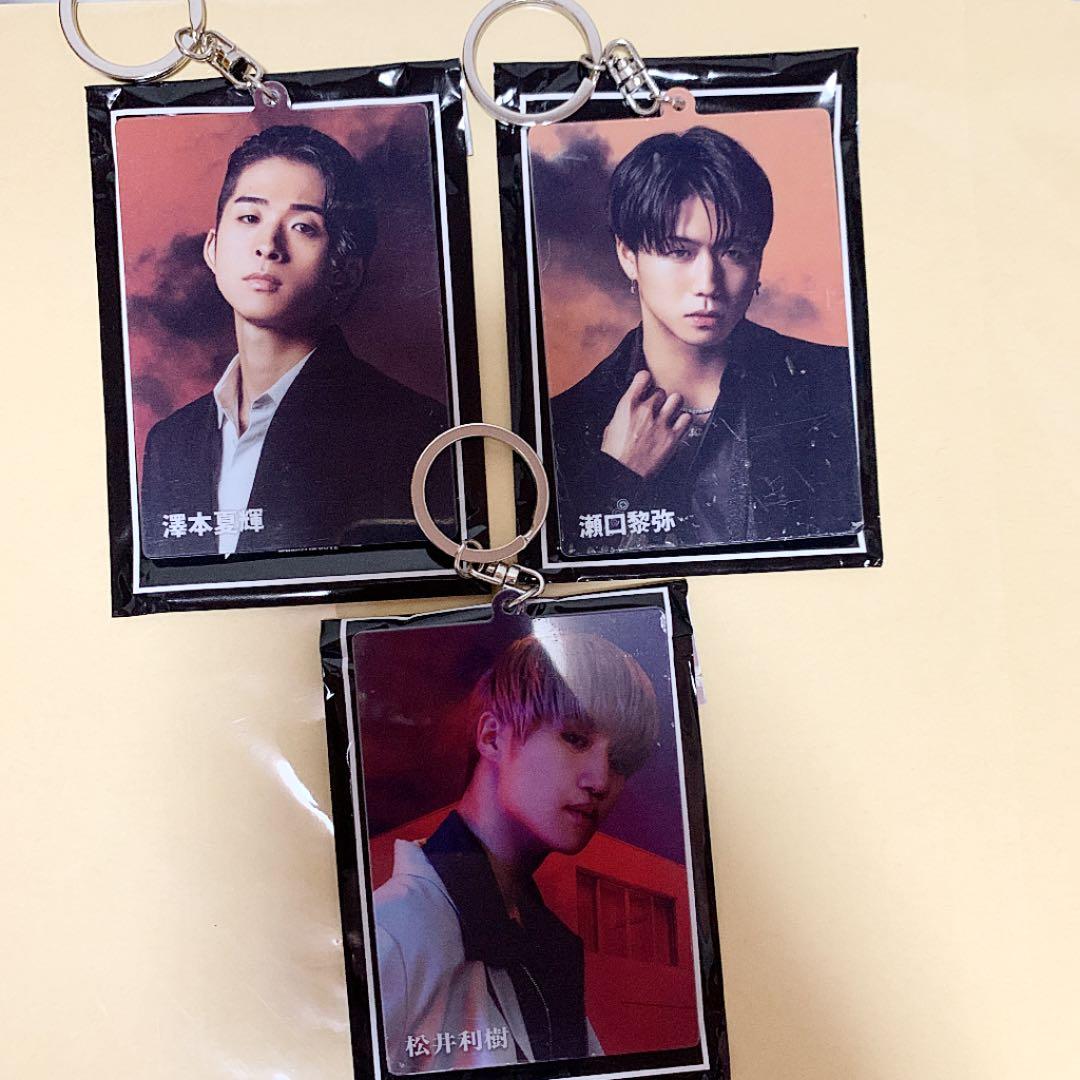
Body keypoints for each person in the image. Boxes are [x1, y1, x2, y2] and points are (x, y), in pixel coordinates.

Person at [139, 124, 452, 559]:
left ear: (344, 270)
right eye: (250, 218)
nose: (268, 245)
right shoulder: (171, 442)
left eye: (304, 226)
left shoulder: (412, 432)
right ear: (212, 248)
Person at [550, 126, 863, 553]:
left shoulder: (837, 385)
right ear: (628, 256)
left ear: (758, 261)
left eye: (734, 252)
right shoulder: (565, 423)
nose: (708, 283)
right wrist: (618, 475)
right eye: (679, 251)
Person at [372, 632, 660, 1072]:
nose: (601, 780)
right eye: (575, 738)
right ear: (492, 737)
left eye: (619, 761)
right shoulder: (393, 930)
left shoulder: (546, 943)